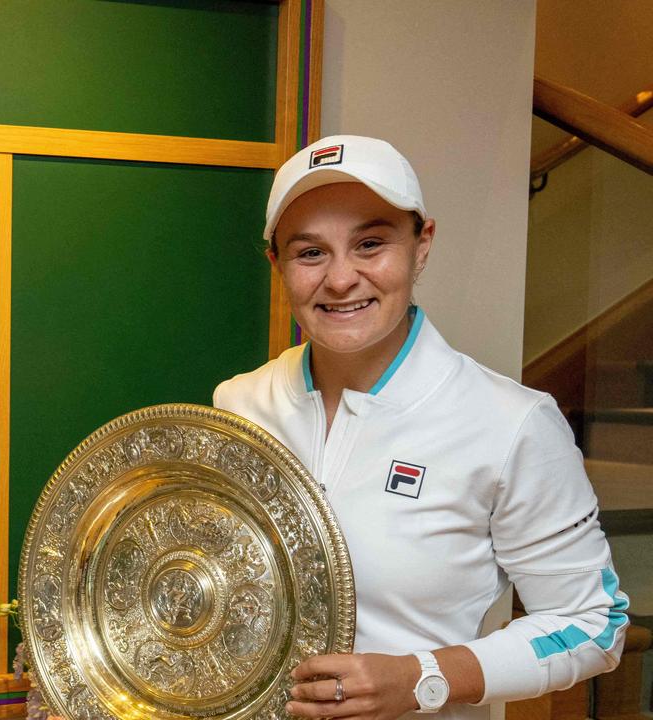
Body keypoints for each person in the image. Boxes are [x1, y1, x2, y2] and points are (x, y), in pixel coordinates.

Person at [212, 135, 629, 720]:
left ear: (421, 245)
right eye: (310, 253)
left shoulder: (511, 424)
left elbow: (593, 625)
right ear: (276, 264)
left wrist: (422, 677)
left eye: (371, 243)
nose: (340, 279)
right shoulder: (239, 406)